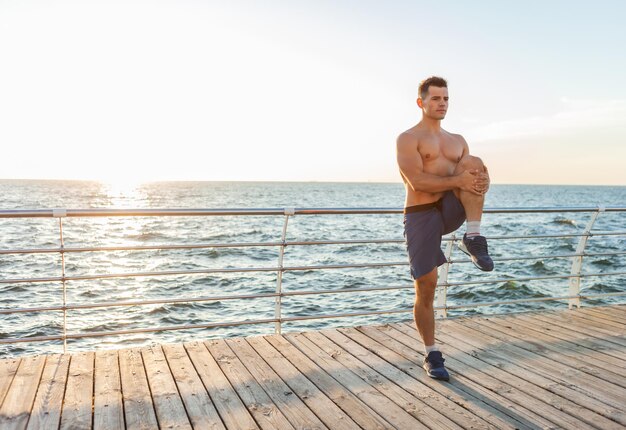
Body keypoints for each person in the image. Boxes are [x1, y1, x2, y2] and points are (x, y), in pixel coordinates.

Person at [396, 76, 493, 381]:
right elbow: (417, 182)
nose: (441, 104)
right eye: (435, 98)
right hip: (420, 213)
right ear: (421, 102)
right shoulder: (408, 138)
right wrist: (459, 182)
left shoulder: (458, 140)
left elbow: (472, 178)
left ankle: (473, 236)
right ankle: (431, 352)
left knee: (475, 161)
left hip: (451, 209)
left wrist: (482, 180)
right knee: (426, 285)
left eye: (446, 99)